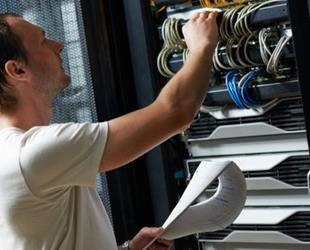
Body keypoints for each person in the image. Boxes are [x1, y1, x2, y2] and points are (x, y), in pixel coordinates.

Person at [0, 10, 218, 250]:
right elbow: (176, 112)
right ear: (18, 71)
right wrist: (201, 46)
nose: (59, 45)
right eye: (43, 40)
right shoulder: (32, 152)